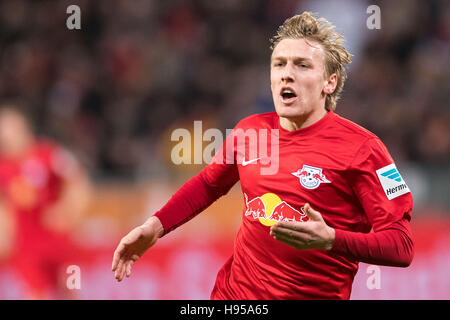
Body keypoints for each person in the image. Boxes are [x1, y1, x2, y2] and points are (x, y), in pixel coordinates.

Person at [112, 12, 414, 299]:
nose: (287, 75)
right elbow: (209, 184)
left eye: (302, 65)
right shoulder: (250, 132)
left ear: (329, 82)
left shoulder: (364, 149)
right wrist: (155, 226)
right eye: (279, 64)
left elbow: (401, 246)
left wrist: (332, 239)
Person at [0, 104, 91, 299]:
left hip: (60, 240)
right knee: (35, 294)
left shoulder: (49, 154)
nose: (7, 134)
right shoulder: (3, 167)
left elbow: (78, 180)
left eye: (10, 127)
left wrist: (69, 209)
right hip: (27, 247)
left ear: (24, 127)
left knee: (71, 291)